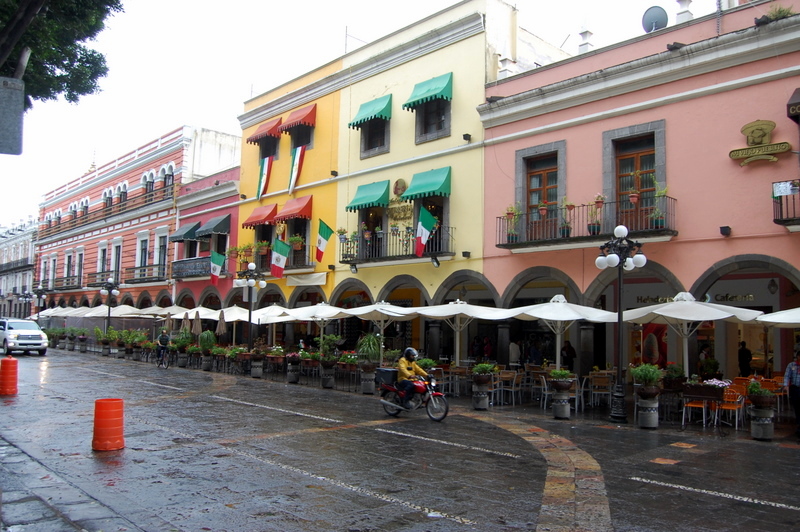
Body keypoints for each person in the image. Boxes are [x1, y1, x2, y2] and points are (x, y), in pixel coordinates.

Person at [783, 351, 800, 437]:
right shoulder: (791, 365)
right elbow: (787, 376)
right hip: (795, 388)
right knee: (797, 407)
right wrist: (786, 385)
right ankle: (798, 424)